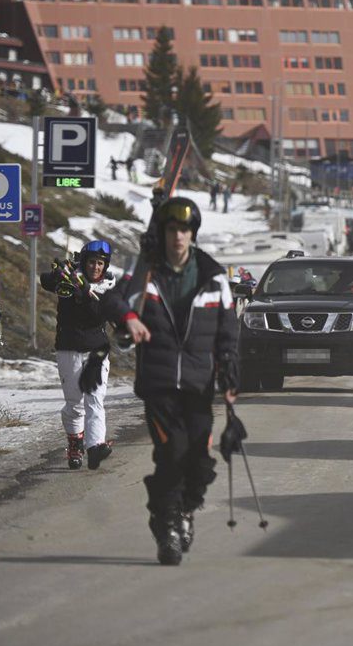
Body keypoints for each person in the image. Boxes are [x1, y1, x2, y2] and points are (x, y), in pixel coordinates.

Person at [107, 197, 240, 566]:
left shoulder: (213, 276)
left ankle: (186, 509)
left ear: (192, 234)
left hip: (200, 385)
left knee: (199, 460)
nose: (178, 236)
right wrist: (130, 317)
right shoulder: (146, 272)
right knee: (172, 453)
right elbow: (112, 300)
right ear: (163, 233)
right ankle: (166, 523)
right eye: (171, 229)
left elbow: (228, 329)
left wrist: (230, 369)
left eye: (184, 230)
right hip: (159, 383)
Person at [39, 240, 118, 471]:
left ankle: (95, 447)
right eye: (92, 262)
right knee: (75, 404)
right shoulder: (69, 278)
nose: (96, 267)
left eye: (100, 264)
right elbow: (45, 281)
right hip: (68, 347)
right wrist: (57, 274)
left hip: (97, 350)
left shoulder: (108, 287)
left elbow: (97, 314)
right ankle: (75, 445)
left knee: (95, 398)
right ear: (85, 262)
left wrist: (85, 292)